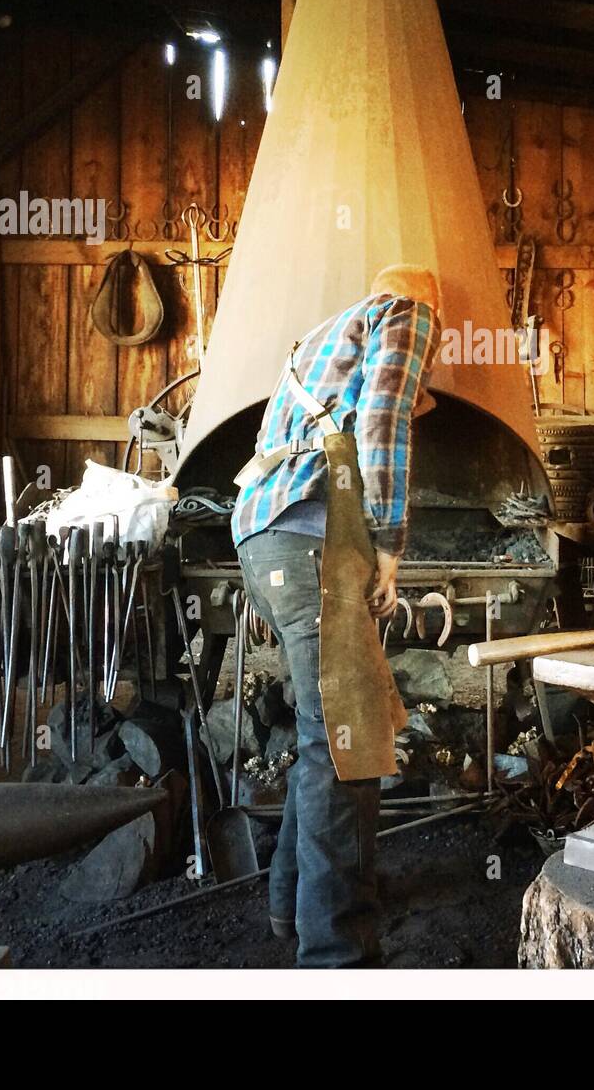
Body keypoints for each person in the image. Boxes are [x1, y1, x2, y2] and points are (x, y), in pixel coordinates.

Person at [231, 264, 442, 968]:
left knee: (326, 737)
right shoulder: (407, 310)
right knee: (350, 747)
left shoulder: (316, 342)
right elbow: (382, 423)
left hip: (264, 541)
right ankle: (336, 955)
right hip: (311, 542)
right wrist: (388, 546)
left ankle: (290, 907)